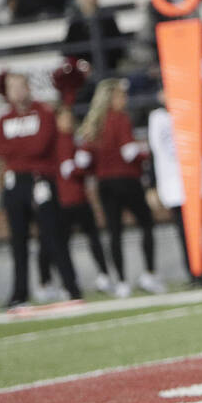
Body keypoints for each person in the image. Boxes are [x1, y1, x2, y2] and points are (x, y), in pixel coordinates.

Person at [0, 73, 83, 309]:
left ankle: (71, 287)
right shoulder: (4, 119)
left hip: (40, 181)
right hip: (15, 183)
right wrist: (23, 150)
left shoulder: (42, 112)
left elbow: (41, 144)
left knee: (53, 236)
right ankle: (19, 293)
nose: (16, 91)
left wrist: (18, 151)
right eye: (11, 87)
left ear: (27, 88)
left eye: (19, 86)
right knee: (18, 241)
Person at [78, 78, 163, 297]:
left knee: (114, 232)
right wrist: (147, 153)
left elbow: (83, 160)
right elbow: (129, 153)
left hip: (104, 184)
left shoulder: (94, 122)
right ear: (111, 97)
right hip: (126, 179)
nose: (124, 99)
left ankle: (122, 282)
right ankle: (149, 273)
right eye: (120, 95)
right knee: (146, 223)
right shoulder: (120, 119)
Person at [147, 94, 202, 285]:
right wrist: (152, 184)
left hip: (193, 179)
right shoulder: (157, 118)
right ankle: (194, 271)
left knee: (201, 229)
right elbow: (154, 153)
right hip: (172, 181)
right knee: (183, 231)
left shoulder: (188, 112)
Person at [54, 103, 113, 294]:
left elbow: (83, 167)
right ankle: (63, 282)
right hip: (64, 200)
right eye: (64, 117)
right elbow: (67, 170)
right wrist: (81, 163)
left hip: (80, 198)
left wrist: (85, 157)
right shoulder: (57, 142)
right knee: (59, 244)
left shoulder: (73, 139)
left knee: (94, 239)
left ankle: (104, 275)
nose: (68, 121)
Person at [63, 0, 126, 76]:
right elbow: (69, 50)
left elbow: (118, 47)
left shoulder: (107, 17)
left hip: (108, 68)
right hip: (83, 74)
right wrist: (82, 65)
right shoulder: (75, 21)